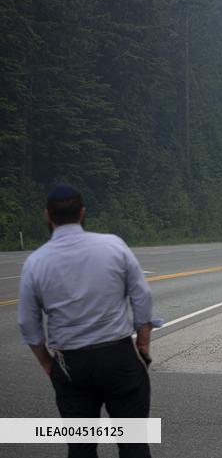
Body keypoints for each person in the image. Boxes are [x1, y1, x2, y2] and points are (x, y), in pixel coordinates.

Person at [17, 184, 158, 458]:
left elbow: (28, 324)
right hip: (118, 357)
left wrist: (48, 364)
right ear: (82, 213)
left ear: (47, 216)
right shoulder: (112, 245)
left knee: (81, 446)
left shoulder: (36, 262)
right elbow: (142, 296)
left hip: (71, 364)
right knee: (133, 444)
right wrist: (142, 345)